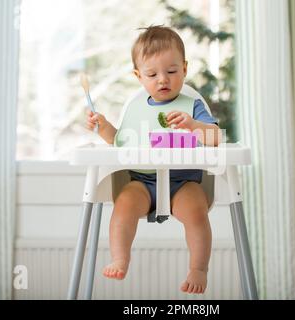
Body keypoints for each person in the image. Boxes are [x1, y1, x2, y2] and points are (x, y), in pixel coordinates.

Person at [86, 25, 221, 294]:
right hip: (143, 181)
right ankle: (120, 258)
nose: (163, 79)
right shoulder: (135, 109)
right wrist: (103, 127)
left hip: (183, 182)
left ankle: (198, 268)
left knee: (196, 210)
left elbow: (215, 137)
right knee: (123, 204)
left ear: (184, 68)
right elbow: (120, 141)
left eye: (171, 71)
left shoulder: (191, 107)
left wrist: (194, 126)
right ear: (139, 76)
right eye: (152, 74)